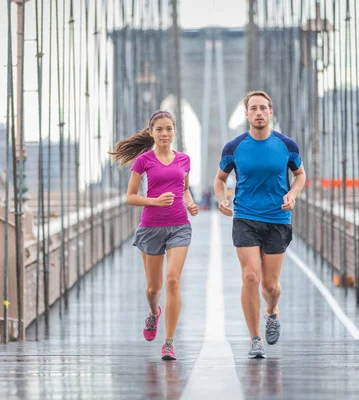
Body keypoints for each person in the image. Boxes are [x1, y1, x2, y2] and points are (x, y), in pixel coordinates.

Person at [213, 91, 306, 359]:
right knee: (250, 276)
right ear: (247, 114)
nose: (258, 113)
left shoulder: (287, 145)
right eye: (253, 108)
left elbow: (300, 174)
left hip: (277, 218)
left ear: (271, 112)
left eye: (263, 108)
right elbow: (219, 179)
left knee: (269, 286)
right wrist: (222, 199)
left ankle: (271, 312)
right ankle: (255, 339)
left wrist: (293, 194)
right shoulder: (234, 147)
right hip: (245, 217)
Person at [110, 110, 199, 361]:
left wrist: (190, 203)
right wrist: (155, 201)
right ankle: (153, 312)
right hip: (151, 228)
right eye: (159, 129)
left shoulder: (184, 160)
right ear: (151, 132)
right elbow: (130, 196)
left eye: (169, 129)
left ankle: (169, 342)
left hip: (179, 226)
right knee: (153, 288)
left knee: (172, 280)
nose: (164, 133)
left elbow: (184, 190)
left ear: (174, 131)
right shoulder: (143, 161)